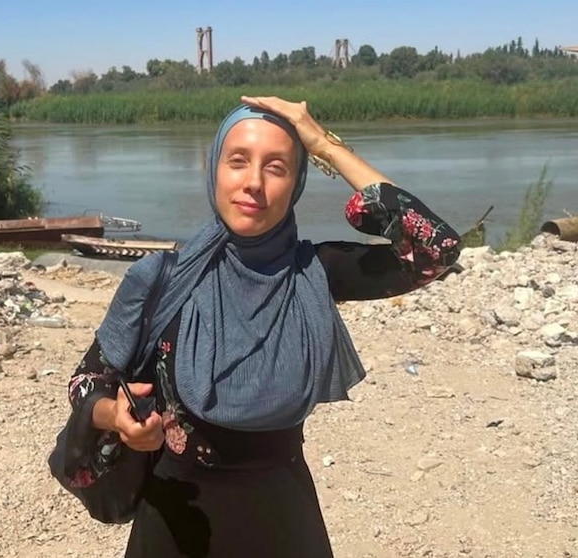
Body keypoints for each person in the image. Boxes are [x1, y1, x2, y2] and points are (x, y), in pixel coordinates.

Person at [58, 96, 462, 557]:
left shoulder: (313, 273)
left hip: (285, 522)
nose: (253, 182)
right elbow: (86, 381)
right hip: (176, 522)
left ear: (297, 184)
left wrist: (324, 145)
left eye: (276, 167)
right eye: (237, 161)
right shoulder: (161, 279)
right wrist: (115, 417)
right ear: (214, 170)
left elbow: (436, 250)